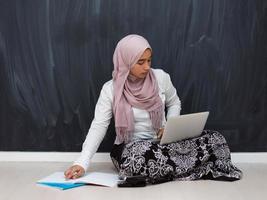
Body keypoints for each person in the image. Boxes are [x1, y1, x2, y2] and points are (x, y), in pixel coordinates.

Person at [64, 34, 242, 185]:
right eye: (140, 62)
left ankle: (162, 170)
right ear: (125, 62)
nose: (147, 67)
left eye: (149, 60)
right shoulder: (110, 89)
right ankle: (185, 167)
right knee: (135, 158)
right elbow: (98, 126)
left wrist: (170, 127)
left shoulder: (161, 78)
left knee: (215, 139)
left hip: (164, 144)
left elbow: (174, 103)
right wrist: (82, 163)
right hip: (131, 148)